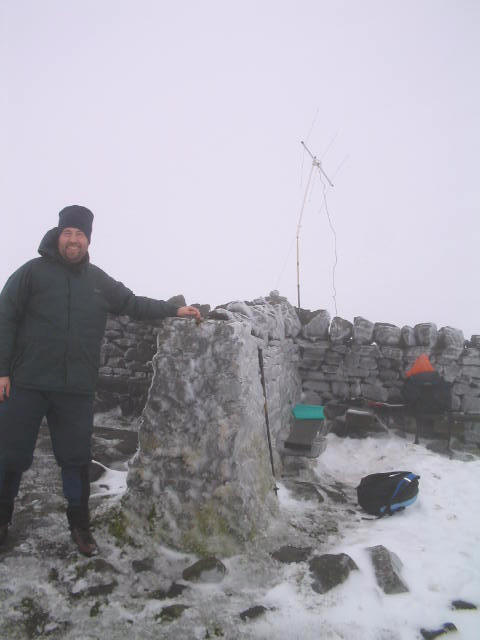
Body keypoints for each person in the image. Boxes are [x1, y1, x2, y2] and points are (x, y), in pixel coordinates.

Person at [0, 205, 201, 555]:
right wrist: (2, 370)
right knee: (10, 456)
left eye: (80, 234)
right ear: (58, 235)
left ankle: (80, 526)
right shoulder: (31, 273)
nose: (73, 239)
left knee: (76, 460)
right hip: (26, 382)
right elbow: (6, 317)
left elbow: (132, 303)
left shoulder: (98, 282)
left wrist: (173, 309)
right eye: (68, 233)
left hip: (75, 388)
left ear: (87, 240)